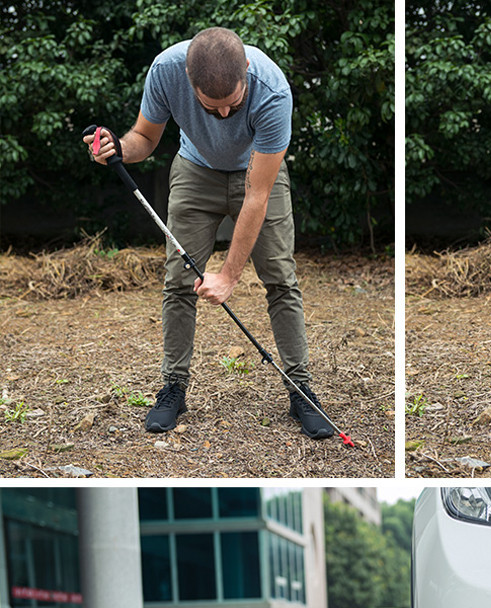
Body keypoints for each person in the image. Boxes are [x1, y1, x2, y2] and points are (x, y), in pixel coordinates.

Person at [83, 27, 333, 438]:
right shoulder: (166, 70)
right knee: (179, 283)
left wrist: (229, 275)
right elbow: (145, 137)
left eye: (231, 105)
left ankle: (300, 390)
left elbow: (258, 194)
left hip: (256, 172)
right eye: (208, 106)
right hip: (195, 171)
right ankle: (174, 389)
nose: (221, 116)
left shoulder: (272, 91)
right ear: (188, 80)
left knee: (281, 280)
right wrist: (117, 150)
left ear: (247, 71)